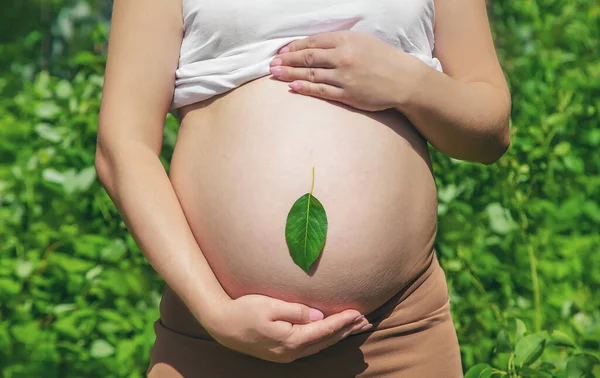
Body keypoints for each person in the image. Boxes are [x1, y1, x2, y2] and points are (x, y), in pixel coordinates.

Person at [95, 0, 510, 376]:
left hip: (396, 339)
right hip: (212, 344)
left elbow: (491, 133)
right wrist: (215, 312)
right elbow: (122, 145)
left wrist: (410, 83)